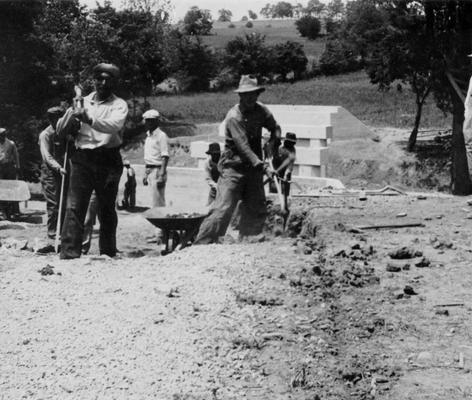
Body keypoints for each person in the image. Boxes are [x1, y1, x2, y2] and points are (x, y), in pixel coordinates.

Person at [195, 75, 280, 244]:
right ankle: (201, 245)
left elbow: (275, 128)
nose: (249, 98)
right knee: (223, 209)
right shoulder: (234, 116)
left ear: (257, 95)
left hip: (254, 169)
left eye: (253, 94)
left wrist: (273, 142)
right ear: (240, 96)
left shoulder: (262, 110)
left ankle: (249, 244)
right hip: (233, 168)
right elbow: (243, 147)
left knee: (256, 208)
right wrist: (263, 166)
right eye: (245, 95)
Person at [56, 62, 128, 259]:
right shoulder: (82, 101)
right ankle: (70, 253)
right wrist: (71, 116)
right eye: (100, 79)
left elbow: (113, 126)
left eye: (108, 80)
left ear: (114, 83)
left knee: (106, 208)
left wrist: (88, 119)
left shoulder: (119, 105)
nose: (103, 83)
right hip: (83, 158)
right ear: (94, 81)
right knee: (75, 207)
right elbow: (60, 131)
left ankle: (107, 252)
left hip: (108, 158)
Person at [38, 106, 67, 238]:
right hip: (50, 172)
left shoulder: (64, 133)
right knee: (54, 203)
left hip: (63, 171)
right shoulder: (46, 135)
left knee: (64, 201)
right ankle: (52, 232)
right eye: (59, 119)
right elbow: (47, 157)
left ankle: (62, 230)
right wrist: (58, 167)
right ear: (52, 119)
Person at [142, 109, 169, 208]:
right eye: (147, 120)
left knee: (158, 201)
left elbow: (165, 156)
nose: (149, 122)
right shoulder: (148, 136)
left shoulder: (161, 136)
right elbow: (149, 157)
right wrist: (146, 173)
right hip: (150, 170)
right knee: (153, 199)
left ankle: (162, 221)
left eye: (152, 120)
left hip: (158, 170)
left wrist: (162, 174)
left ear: (157, 121)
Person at [0, 127, 21, 218]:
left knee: (11, 188)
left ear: (5, 135)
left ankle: (13, 211)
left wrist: (18, 167)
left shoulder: (11, 143)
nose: (1, 137)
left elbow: (16, 156)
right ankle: (2, 210)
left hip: (9, 167)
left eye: (3, 135)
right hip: (0, 168)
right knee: (1, 189)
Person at [271, 132, 297, 196]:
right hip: (275, 167)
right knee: (274, 188)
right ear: (286, 141)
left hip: (285, 169)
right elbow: (272, 158)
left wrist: (287, 173)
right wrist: (274, 170)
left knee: (285, 187)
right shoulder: (279, 146)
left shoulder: (292, 150)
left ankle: (285, 199)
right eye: (289, 142)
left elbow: (290, 164)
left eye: (292, 143)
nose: (291, 144)